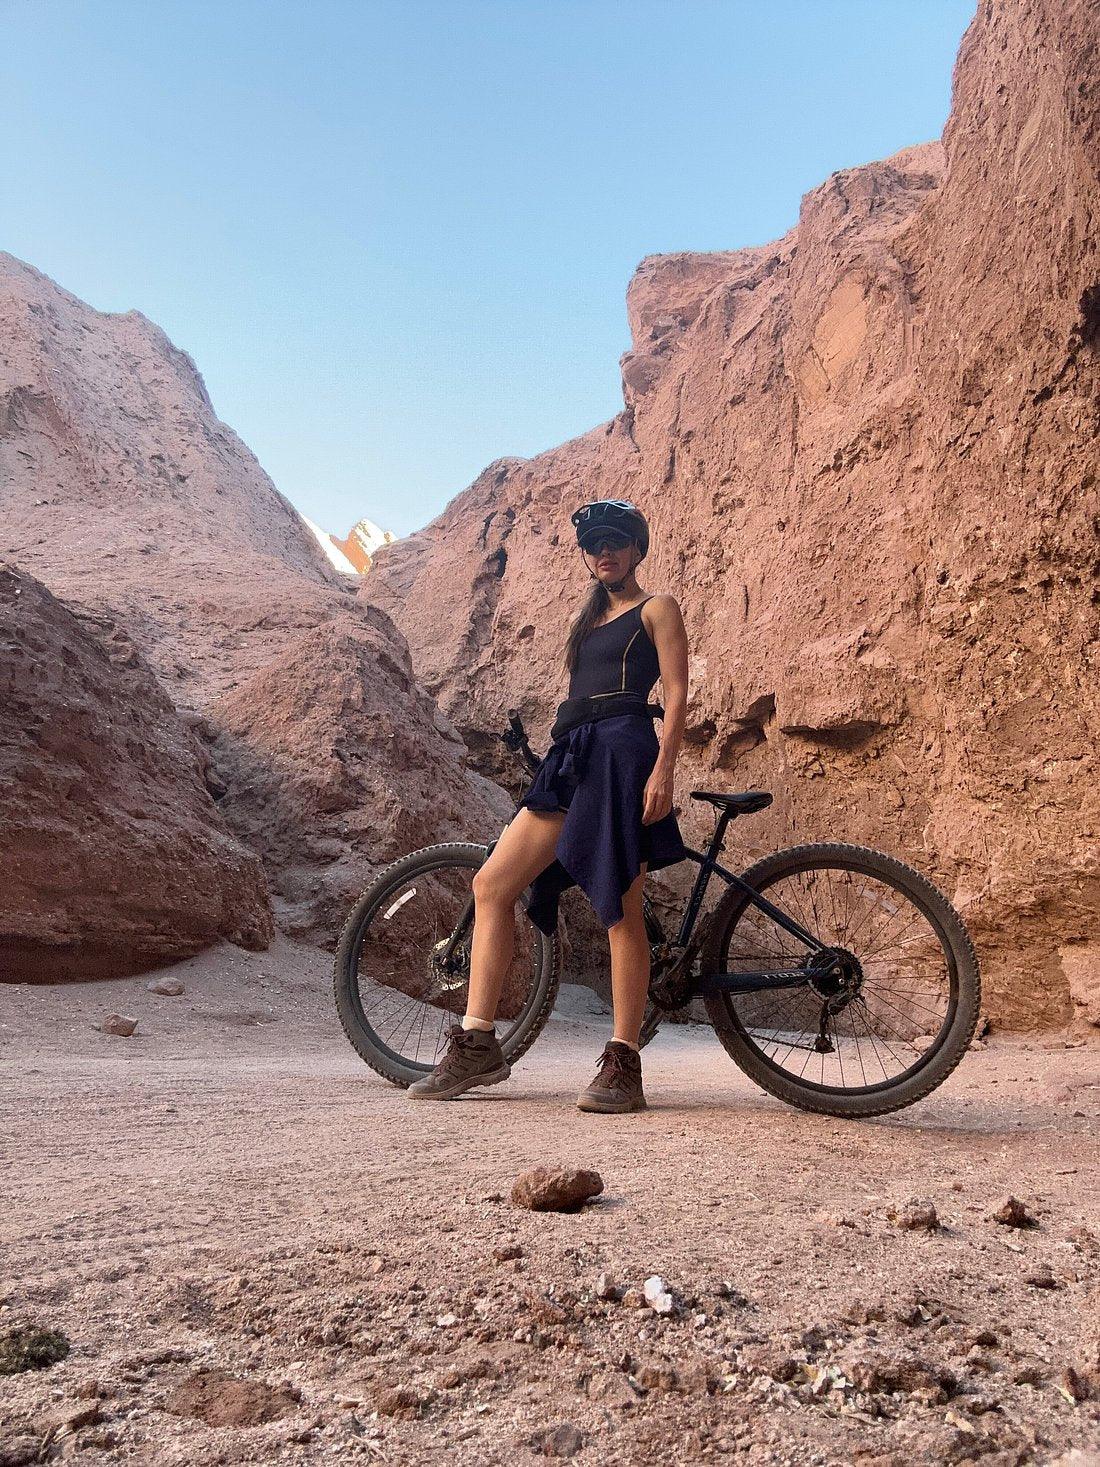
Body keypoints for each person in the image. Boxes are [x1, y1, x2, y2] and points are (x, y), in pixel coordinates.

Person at [408, 498, 689, 1113]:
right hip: (574, 756)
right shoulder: (587, 622)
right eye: (594, 545)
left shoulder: (657, 608)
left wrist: (664, 770)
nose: (604, 551)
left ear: (636, 549)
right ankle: (478, 1043)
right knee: (492, 884)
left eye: (615, 541)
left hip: (623, 754)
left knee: (621, 904)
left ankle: (623, 1061)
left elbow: (675, 694)